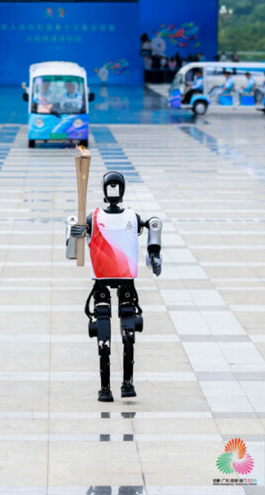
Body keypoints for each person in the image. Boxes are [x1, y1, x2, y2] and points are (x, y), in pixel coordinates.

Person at [68, 171, 162, 402]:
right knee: (104, 338)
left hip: (125, 279)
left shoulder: (132, 216)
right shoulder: (92, 218)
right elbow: (73, 253)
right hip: (102, 279)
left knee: (128, 335)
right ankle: (105, 387)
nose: (114, 190)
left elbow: (153, 245)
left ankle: (127, 384)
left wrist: (155, 254)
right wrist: (74, 235)